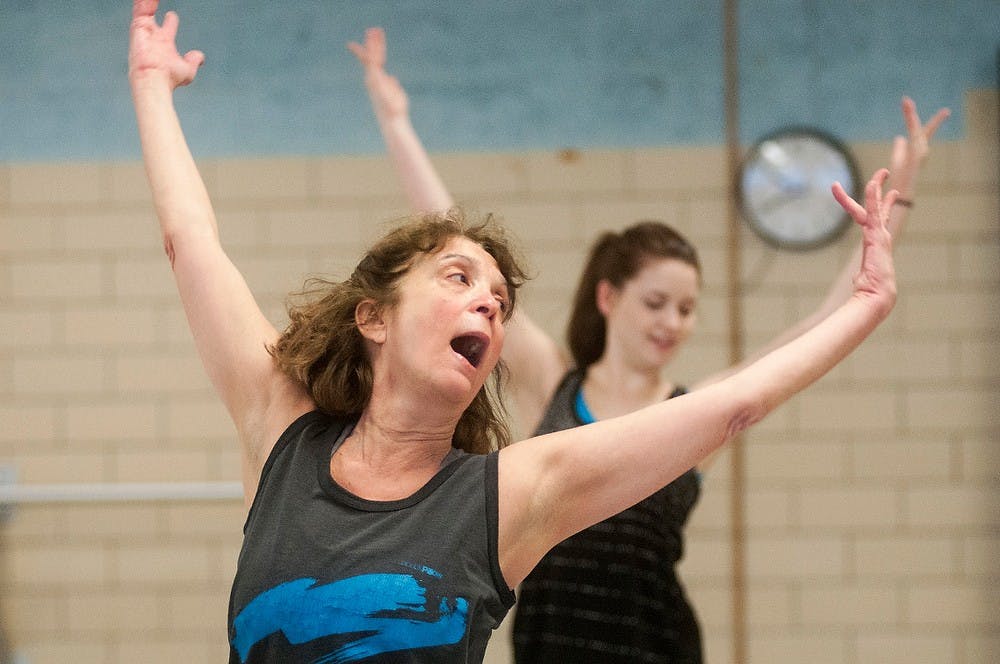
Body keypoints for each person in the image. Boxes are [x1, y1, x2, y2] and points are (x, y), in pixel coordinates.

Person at [130, 2, 903, 660]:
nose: (490, 305)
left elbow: (733, 405)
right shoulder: (280, 425)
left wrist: (866, 301)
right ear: (374, 318)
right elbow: (190, 241)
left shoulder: (509, 494)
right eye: (460, 279)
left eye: (500, 298)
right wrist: (152, 89)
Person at [348, 27, 950, 663]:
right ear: (609, 299)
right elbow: (451, 235)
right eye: (656, 303)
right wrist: (396, 122)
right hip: (553, 645)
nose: (671, 323)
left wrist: (898, 203)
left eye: (687, 309)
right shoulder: (553, 380)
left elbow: (828, 319)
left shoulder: (697, 407)